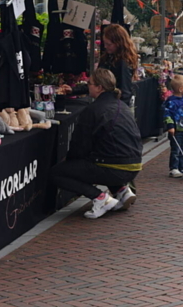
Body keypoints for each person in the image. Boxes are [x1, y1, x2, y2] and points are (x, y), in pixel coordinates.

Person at [51, 68, 142, 219]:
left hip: (115, 167)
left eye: (90, 84)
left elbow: (79, 144)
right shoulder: (122, 105)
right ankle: (122, 191)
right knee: (102, 159)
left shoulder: (93, 109)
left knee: (56, 173)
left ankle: (100, 198)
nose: (88, 86)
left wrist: (69, 161)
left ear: (99, 87)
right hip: (134, 165)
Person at [61, 23, 140, 108]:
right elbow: (95, 82)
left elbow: (125, 93)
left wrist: (118, 113)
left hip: (114, 108)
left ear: (119, 43)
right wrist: (73, 90)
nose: (105, 46)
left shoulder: (122, 62)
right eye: (105, 43)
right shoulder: (107, 58)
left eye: (109, 44)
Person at [163, 75, 183, 177]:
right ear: (180, 89)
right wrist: (170, 126)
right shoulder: (172, 101)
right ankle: (174, 168)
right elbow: (167, 114)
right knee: (176, 149)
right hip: (176, 129)